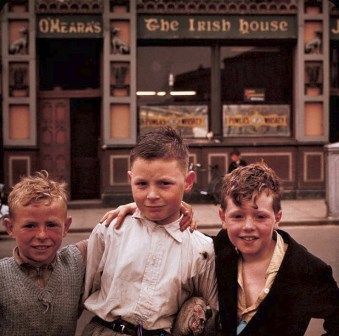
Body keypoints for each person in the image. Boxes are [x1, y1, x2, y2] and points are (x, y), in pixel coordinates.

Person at [82, 126, 218, 336]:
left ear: (188, 181)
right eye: (142, 184)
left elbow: (216, 313)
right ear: (130, 180)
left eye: (164, 184)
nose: (152, 195)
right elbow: (83, 290)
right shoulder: (110, 230)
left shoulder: (202, 249)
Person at [214, 162, 339, 336]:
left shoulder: (308, 270)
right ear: (223, 217)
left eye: (260, 217)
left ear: (277, 217)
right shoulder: (218, 248)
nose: (248, 226)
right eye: (238, 216)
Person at [0, 171, 85, 335]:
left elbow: (110, 238)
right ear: (10, 227)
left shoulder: (78, 261)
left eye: (51, 225)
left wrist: (133, 206)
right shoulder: (3, 275)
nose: (41, 235)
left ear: (66, 227)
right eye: (30, 226)